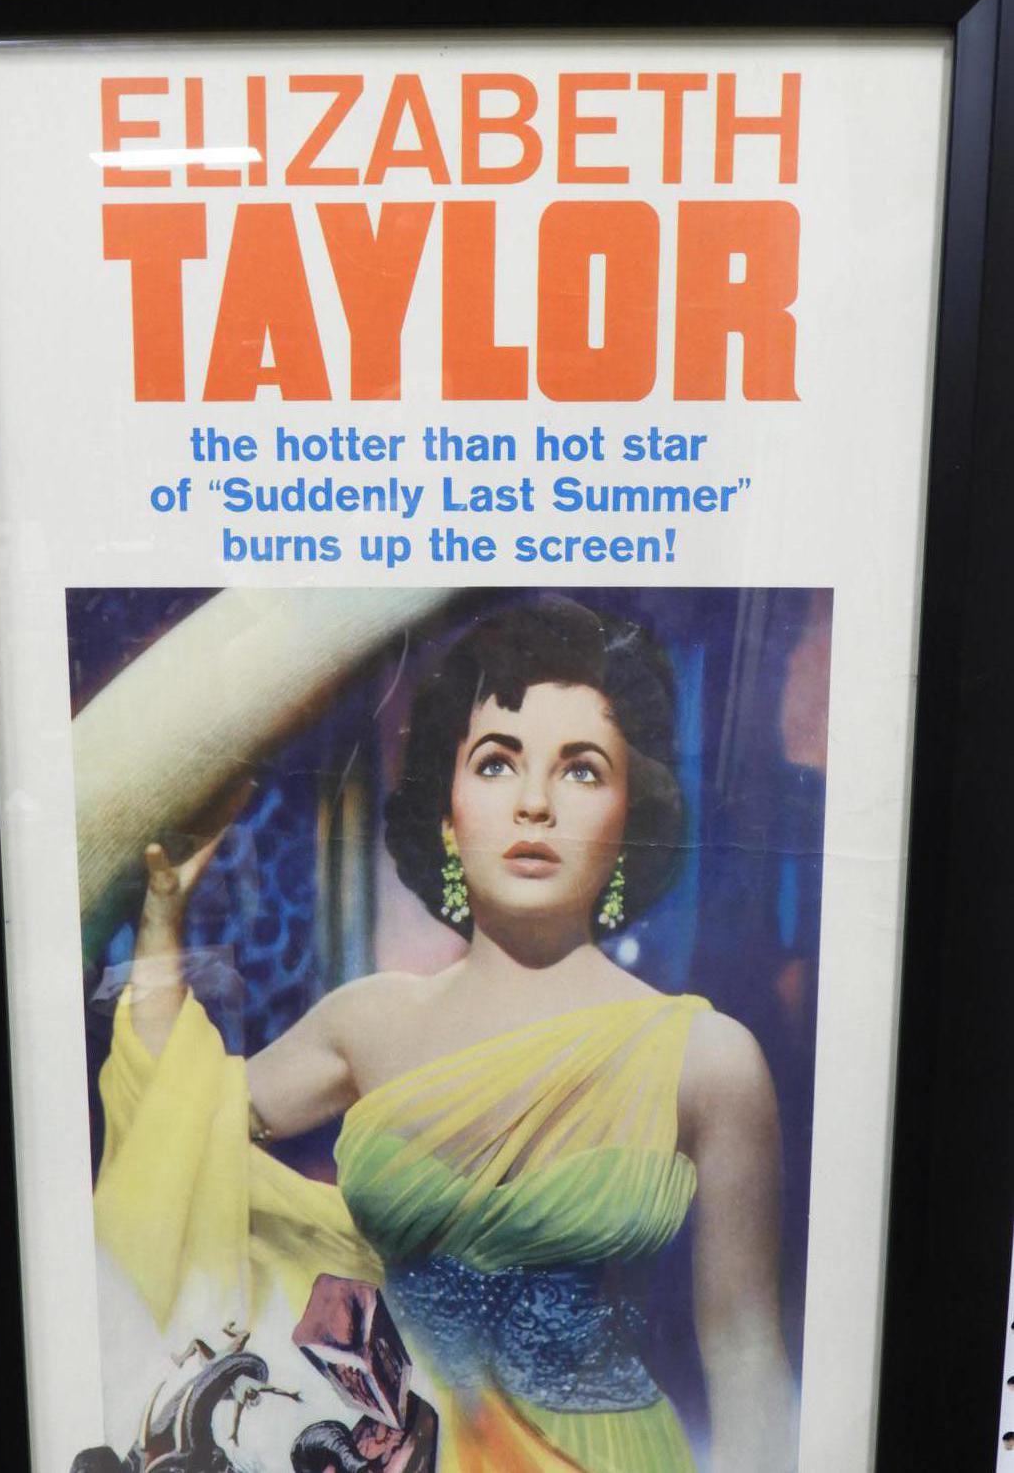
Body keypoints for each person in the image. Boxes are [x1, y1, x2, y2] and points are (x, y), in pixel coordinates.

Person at [94, 596, 797, 1473]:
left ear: (629, 819)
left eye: (581, 771)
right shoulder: (368, 1020)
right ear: (445, 813)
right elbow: (176, 1125)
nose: (534, 804)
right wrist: (162, 926)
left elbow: (745, 1352)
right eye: (497, 763)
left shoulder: (710, 1060)